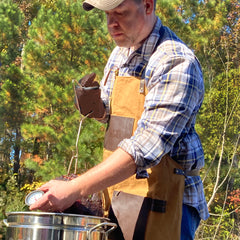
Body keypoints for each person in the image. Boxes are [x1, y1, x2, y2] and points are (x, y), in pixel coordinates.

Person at [30, 0, 209, 239]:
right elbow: (115, 115)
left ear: (147, 5)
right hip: (120, 195)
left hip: (167, 200)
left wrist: (74, 189)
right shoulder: (120, 53)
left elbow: (146, 146)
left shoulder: (176, 62)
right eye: (107, 14)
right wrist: (96, 106)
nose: (111, 24)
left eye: (120, 13)